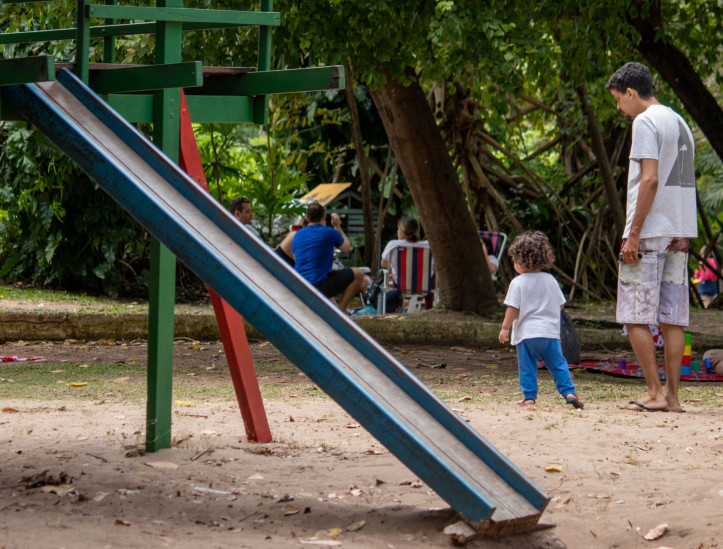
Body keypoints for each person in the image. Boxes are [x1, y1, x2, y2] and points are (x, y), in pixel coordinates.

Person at [606, 62, 698, 412]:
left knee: (633, 314)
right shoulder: (679, 121)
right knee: (672, 316)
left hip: (649, 232)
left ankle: (655, 394)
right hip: (678, 232)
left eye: (618, 99)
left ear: (631, 92)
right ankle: (673, 398)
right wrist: (685, 231)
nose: (619, 108)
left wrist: (633, 234)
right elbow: (684, 181)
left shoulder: (644, 122)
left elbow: (650, 180)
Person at [498, 231, 583, 408]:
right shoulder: (550, 280)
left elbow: (512, 308)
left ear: (521, 261)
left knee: (528, 367)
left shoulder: (518, 282)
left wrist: (505, 328)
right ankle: (569, 393)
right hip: (549, 333)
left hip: (527, 335)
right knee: (558, 364)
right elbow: (560, 304)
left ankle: (529, 397)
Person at [292, 201, 365, 311]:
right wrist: (337, 226)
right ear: (324, 216)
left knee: (331, 277)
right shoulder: (329, 232)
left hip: (300, 286)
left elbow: (296, 257)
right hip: (319, 286)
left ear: (306, 218)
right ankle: (341, 312)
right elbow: (346, 248)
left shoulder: (298, 235)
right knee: (358, 274)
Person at [379, 217, 431, 313]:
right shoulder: (428, 245)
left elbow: (384, 264)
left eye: (398, 229)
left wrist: (395, 265)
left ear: (402, 233)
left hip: (400, 284)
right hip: (424, 284)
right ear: (417, 231)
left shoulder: (393, 245)